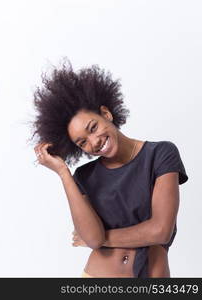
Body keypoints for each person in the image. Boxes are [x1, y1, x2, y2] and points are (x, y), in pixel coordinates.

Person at [30, 57, 188, 278]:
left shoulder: (160, 154)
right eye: (82, 142)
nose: (93, 142)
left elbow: (160, 231)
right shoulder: (84, 176)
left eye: (92, 128)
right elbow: (93, 239)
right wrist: (63, 173)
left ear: (106, 113)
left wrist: (103, 237)